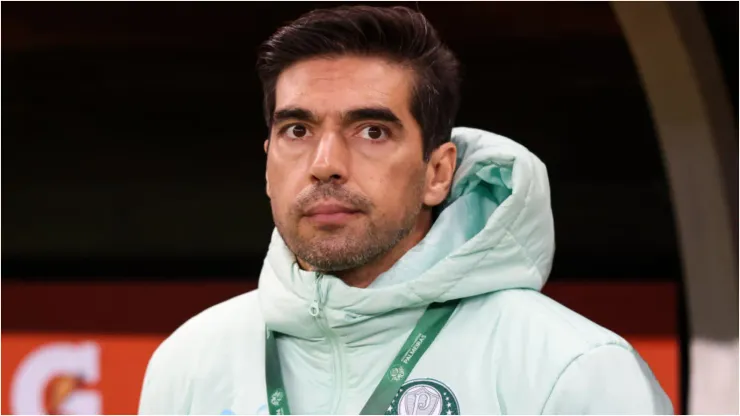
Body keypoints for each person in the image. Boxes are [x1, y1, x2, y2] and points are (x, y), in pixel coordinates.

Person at [138, 5, 673, 415]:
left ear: (437, 173)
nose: (325, 164)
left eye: (372, 131)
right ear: (267, 165)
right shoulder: (190, 362)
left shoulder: (570, 367)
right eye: (297, 130)